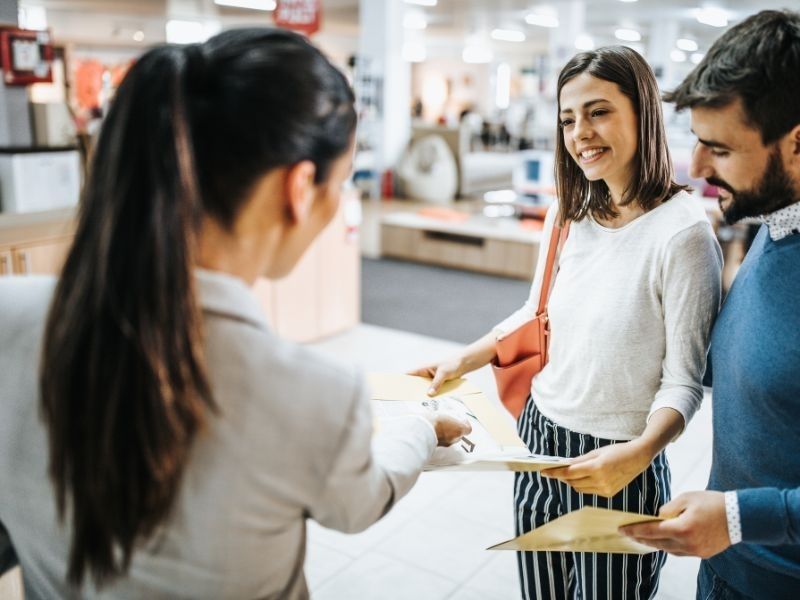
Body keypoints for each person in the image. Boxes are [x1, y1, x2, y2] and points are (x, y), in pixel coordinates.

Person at [0, 29, 469, 599]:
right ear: (300, 187)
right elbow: (359, 501)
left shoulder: (9, 316)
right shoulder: (308, 390)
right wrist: (421, 426)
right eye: (340, 182)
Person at [412, 45, 722, 599]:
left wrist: (640, 454)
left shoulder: (684, 235)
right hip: (539, 442)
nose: (581, 133)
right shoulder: (568, 211)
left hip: (619, 458)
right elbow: (537, 311)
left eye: (599, 112)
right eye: (568, 119)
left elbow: (684, 381)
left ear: (643, 113)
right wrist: (465, 357)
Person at [621, 10, 800, 600]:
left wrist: (738, 517)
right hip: (725, 569)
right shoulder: (775, 225)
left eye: (718, 149)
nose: (696, 169)